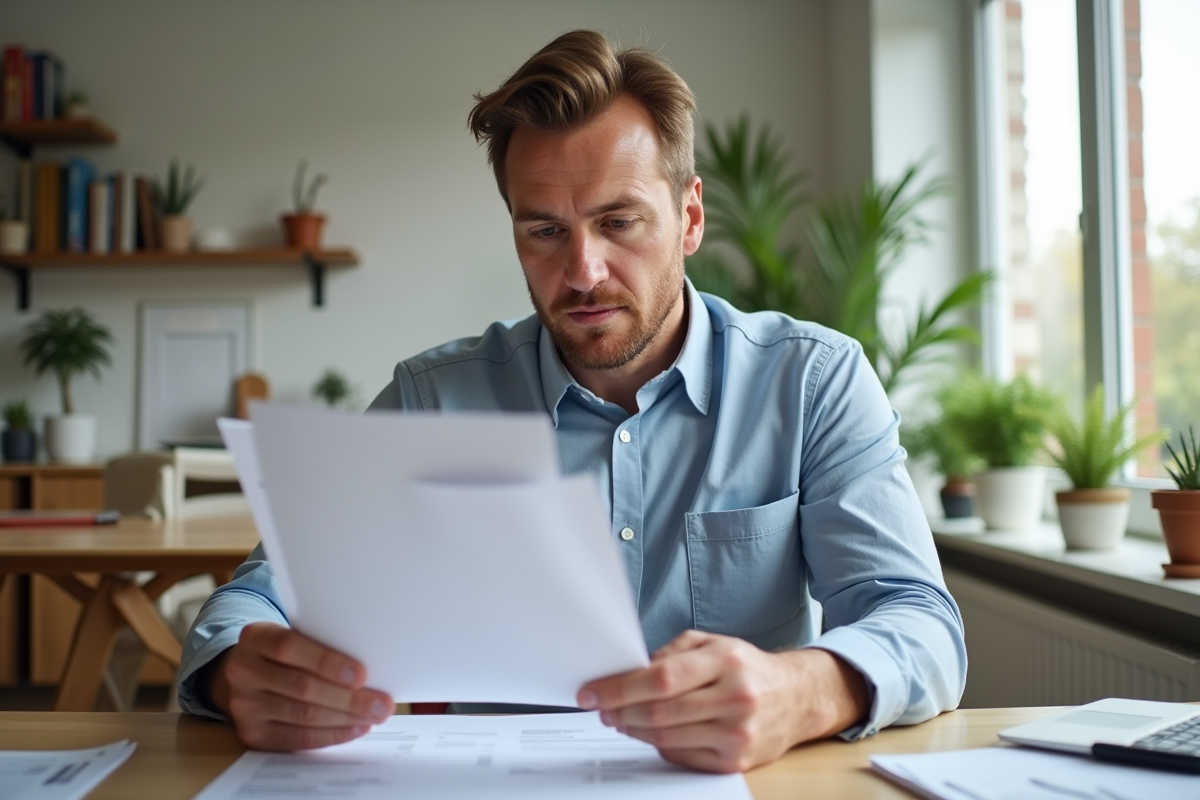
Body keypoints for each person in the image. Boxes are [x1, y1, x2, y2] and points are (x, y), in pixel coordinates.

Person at [178, 29, 966, 773]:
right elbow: (259, 594)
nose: (583, 271)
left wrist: (801, 691)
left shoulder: (812, 382)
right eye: (544, 231)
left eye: (618, 222)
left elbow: (919, 620)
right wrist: (235, 672)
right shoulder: (432, 401)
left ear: (690, 218)